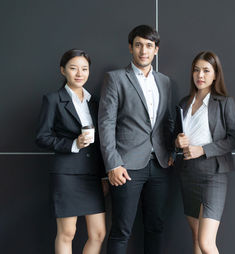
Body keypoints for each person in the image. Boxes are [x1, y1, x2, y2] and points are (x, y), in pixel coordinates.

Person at [98, 25, 175, 254]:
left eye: (149, 46)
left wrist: (171, 152)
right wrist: (113, 163)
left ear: (156, 50)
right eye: (139, 45)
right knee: (121, 230)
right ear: (130, 47)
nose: (144, 50)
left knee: (156, 227)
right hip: (126, 167)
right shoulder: (115, 79)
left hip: (160, 165)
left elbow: (168, 121)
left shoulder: (164, 82)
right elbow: (106, 123)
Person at [36, 49, 107, 254]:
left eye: (84, 69)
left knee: (99, 233)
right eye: (73, 68)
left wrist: (103, 176)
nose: (79, 73)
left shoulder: (95, 102)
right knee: (68, 233)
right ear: (63, 70)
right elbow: (42, 137)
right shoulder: (53, 99)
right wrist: (73, 143)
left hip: (92, 175)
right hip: (66, 174)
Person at [174, 51, 235, 254]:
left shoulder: (224, 102)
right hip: (188, 173)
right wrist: (177, 141)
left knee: (206, 242)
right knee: (196, 238)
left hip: (214, 174)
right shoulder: (183, 103)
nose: (200, 75)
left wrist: (203, 149)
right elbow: (174, 137)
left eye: (206, 70)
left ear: (215, 75)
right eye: (196, 70)